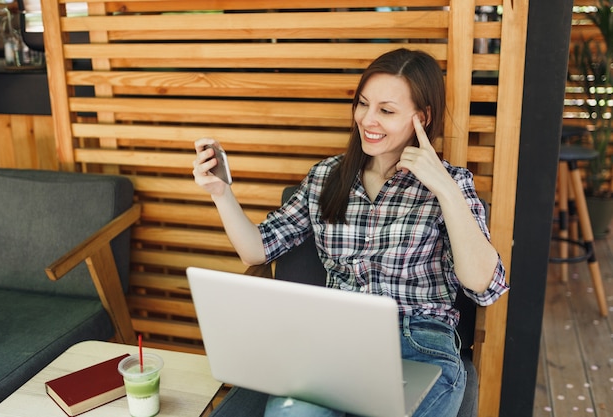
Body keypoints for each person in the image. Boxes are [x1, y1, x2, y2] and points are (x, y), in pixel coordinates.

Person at [192, 47, 509, 417]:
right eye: (363, 104)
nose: (367, 120)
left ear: (422, 118)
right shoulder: (327, 177)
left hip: (417, 342)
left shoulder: (453, 184)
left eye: (386, 111)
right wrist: (221, 194)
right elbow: (256, 250)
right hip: (335, 344)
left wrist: (444, 189)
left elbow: (485, 286)